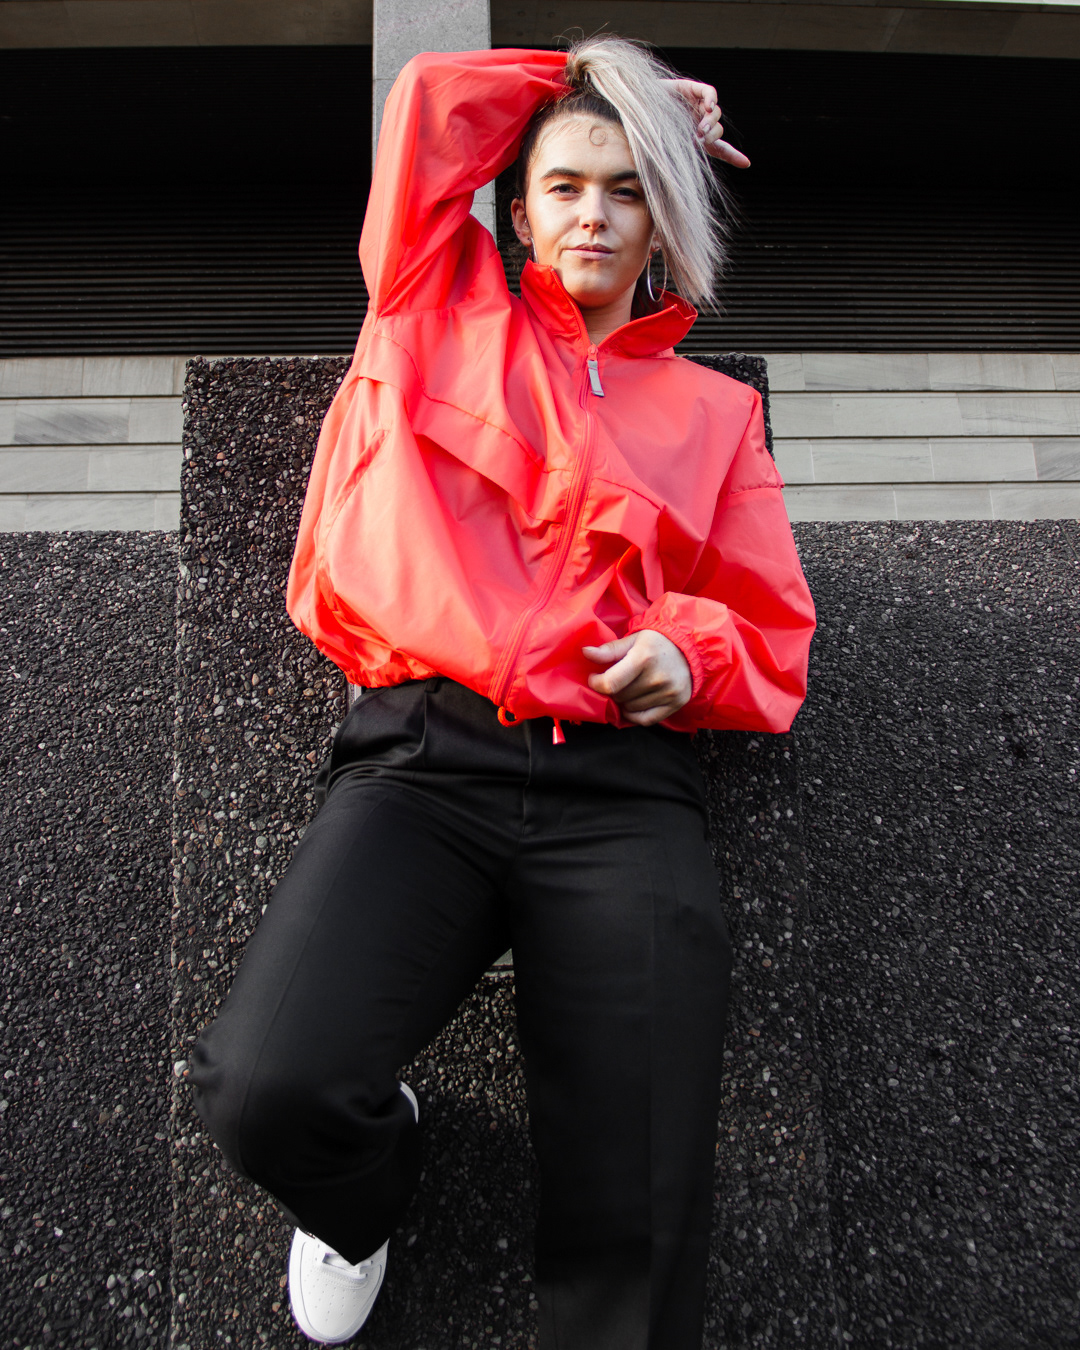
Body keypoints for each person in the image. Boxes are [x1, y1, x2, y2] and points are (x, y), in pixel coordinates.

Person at [189, 35, 816, 1350]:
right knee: (269, 1087)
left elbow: (772, 631)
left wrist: (688, 653)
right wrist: (603, 83)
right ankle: (363, 1195)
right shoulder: (431, 299)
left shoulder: (714, 415)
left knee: (641, 1200)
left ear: (662, 224)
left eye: (630, 188)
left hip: (624, 790)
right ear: (517, 213)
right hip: (424, 761)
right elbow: (428, 105)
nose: (595, 212)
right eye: (566, 186)